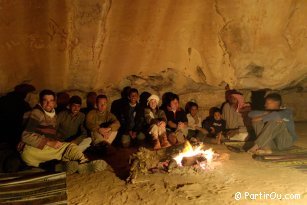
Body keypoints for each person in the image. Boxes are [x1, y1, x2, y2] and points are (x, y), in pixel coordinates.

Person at [20, 89, 106, 174]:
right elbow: (26, 135)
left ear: (54, 102)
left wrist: (57, 143)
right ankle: (81, 162)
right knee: (28, 152)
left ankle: (66, 165)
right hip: (35, 150)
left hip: (48, 151)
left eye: (51, 101)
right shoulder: (37, 112)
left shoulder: (54, 115)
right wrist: (50, 142)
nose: (48, 103)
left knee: (73, 146)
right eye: (45, 100)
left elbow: (83, 132)